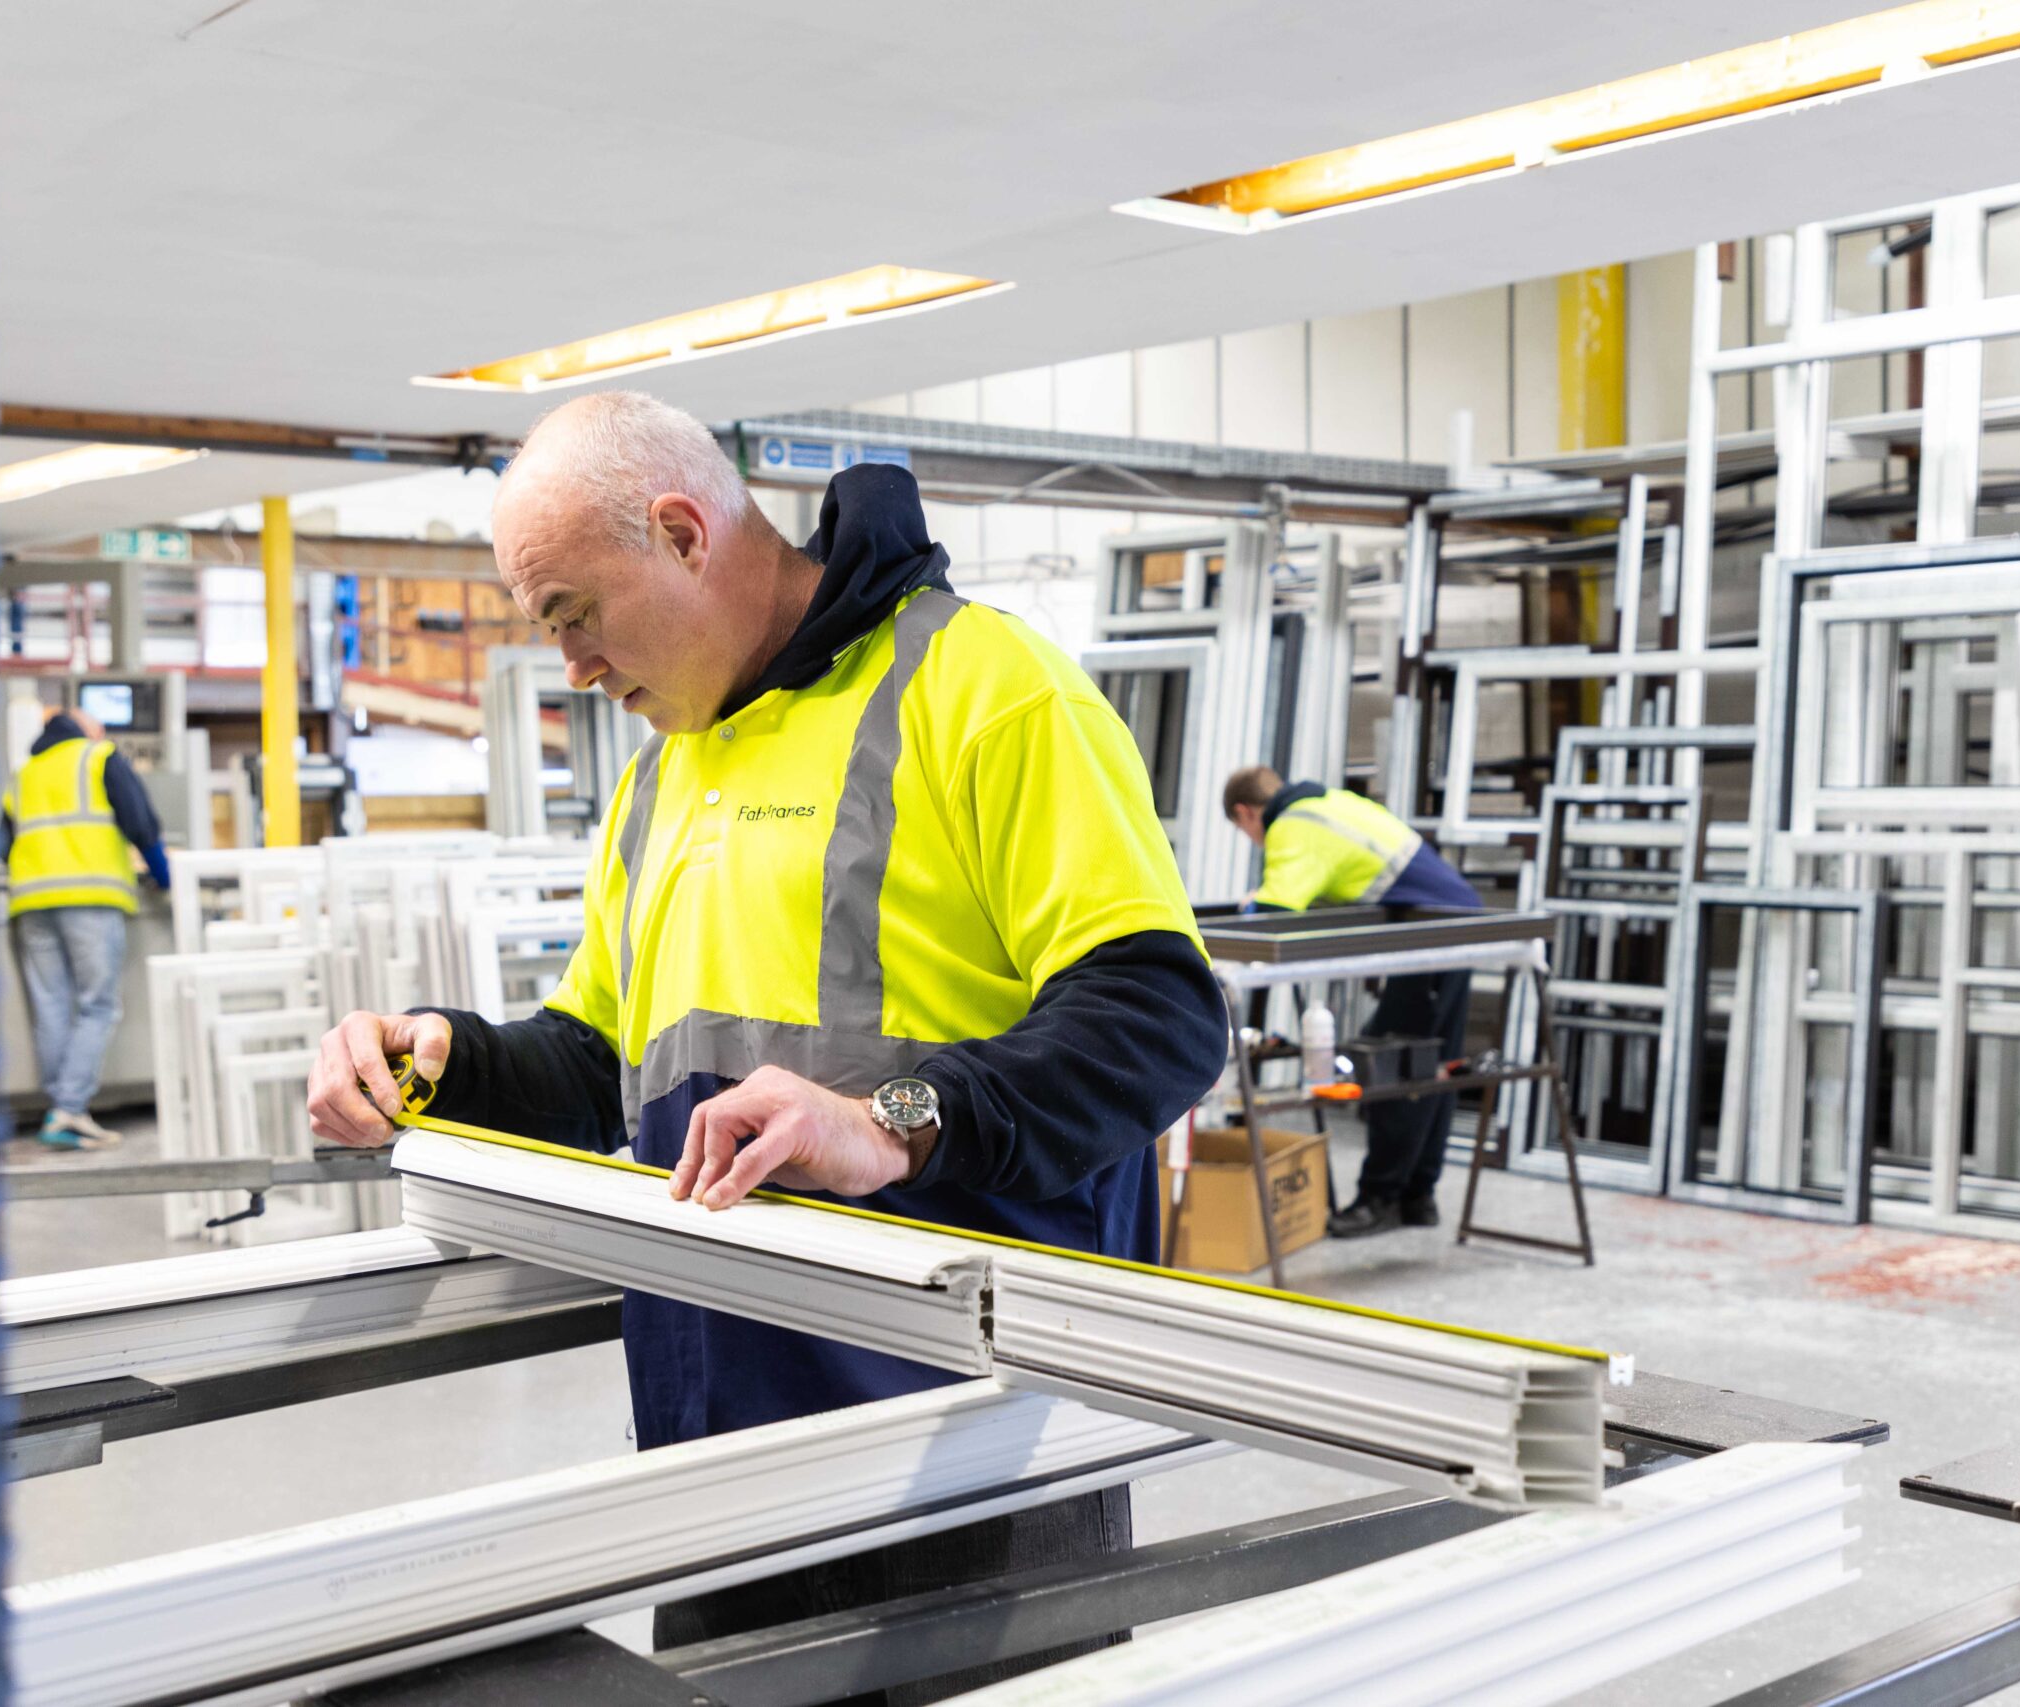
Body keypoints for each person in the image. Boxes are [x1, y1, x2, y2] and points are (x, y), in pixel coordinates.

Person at [306, 391, 1225, 1702]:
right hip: (721, 1438)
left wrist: (893, 1119)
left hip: (968, 1447)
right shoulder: (662, 772)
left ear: (684, 533)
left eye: (573, 611)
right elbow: (599, 1064)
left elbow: (1158, 1017)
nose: (571, 666)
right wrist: (447, 1061)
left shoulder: (985, 687)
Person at [1222, 765, 1481, 1239]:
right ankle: (1417, 1197)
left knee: (1393, 1064)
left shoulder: (1292, 825)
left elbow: (1276, 912)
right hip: (1457, 926)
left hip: (1435, 934)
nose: (1255, 841)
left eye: (1244, 831)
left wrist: (1251, 903)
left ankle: (1380, 1199)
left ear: (1245, 813)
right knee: (1432, 1066)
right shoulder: (1329, 803)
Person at [3, 705, 171, 1150]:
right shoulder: (99, 757)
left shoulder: (25, 774)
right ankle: (68, 1110)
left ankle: (59, 1108)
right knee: (98, 1005)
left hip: (31, 901)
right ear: (85, 729)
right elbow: (141, 823)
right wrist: (164, 875)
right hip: (90, 897)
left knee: (52, 1006)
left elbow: (3, 843)